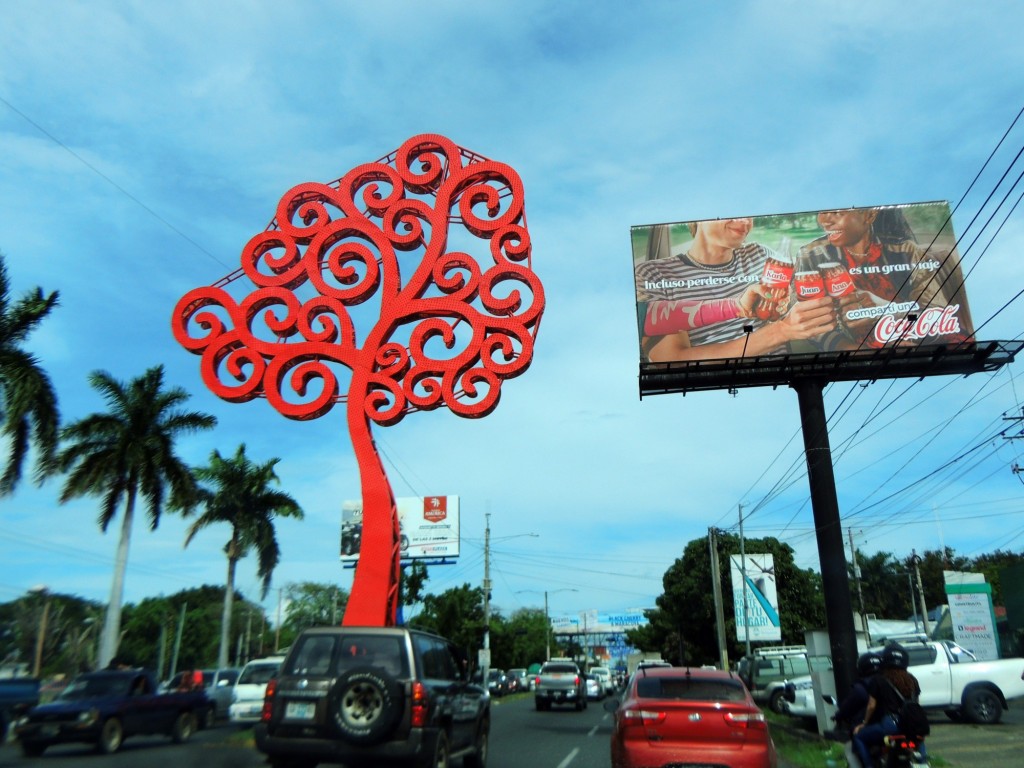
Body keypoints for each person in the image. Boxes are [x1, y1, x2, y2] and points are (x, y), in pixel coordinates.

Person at [635, 219, 836, 363]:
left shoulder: (759, 254)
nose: (745, 221)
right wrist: (781, 330)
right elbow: (674, 361)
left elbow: (802, 298)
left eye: (749, 215)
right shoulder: (653, 275)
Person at [797, 206, 972, 351]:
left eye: (837, 212)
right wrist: (857, 351)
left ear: (869, 215)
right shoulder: (812, 255)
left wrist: (886, 310)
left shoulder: (906, 252)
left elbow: (937, 315)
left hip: (918, 344)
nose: (824, 221)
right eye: (822, 212)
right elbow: (809, 321)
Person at [852, 643, 927, 766]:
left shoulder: (878, 679)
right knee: (917, 739)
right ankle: (923, 762)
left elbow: (871, 705)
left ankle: (869, 765)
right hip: (913, 725)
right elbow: (916, 704)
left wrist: (864, 723)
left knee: (859, 737)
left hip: (891, 725)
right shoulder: (912, 680)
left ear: (884, 660)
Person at [833, 653, 882, 768]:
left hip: (874, 726)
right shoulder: (888, 682)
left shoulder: (860, 689)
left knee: (857, 737)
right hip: (891, 724)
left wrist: (838, 715)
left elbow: (847, 707)